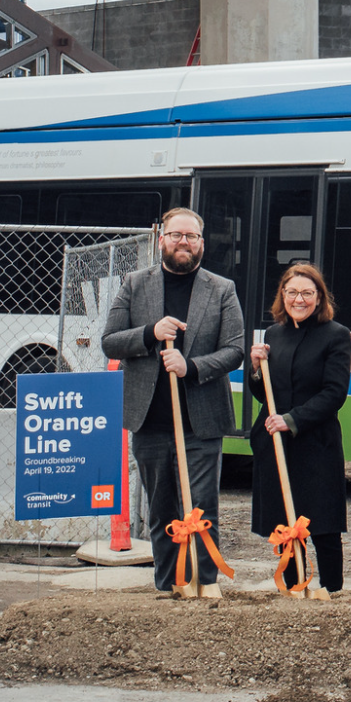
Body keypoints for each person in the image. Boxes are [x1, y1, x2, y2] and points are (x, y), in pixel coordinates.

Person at [102, 207, 244, 592]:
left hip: (202, 421)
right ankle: (168, 586)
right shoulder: (135, 283)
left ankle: (203, 584)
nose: (184, 242)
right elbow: (110, 339)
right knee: (162, 509)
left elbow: (234, 349)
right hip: (150, 421)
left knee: (200, 508)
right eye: (176, 235)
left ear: (202, 243)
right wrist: (150, 332)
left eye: (192, 237)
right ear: (161, 239)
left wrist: (191, 366)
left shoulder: (221, 289)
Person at [248, 264, 351, 593]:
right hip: (276, 445)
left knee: (322, 524)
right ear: (283, 295)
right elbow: (265, 393)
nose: (299, 299)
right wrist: (255, 370)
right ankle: (294, 589)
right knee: (284, 523)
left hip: (316, 444)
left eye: (308, 293)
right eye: (292, 292)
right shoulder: (273, 335)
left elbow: (334, 394)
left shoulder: (336, 335)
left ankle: (332, 590)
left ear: (320, 297)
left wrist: (292, 420)